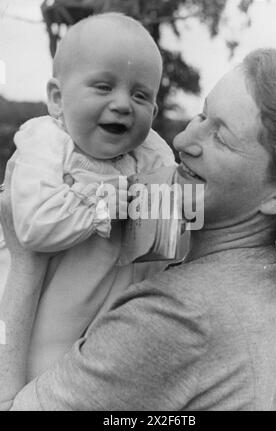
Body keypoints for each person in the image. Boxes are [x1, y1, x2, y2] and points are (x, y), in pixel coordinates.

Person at [0, 47, 276, 411]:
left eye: (220, 138)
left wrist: (24, 262)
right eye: (202, 115)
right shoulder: (264, 274)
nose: (183, 141)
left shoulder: (175, 317)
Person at [0, 13, 175, 380]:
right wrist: (104, 202)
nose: (124, 104)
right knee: (32, 381)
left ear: (154, 112)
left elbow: (165, 231)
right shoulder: (46, 141)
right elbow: (33, 226)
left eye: (141, 95)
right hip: (31, 308)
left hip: (95, 316)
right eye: (103, 87)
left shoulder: (144, 155)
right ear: (57, 98)